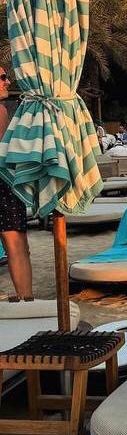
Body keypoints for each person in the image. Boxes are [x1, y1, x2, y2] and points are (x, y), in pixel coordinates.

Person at [0, 67, 33, 301]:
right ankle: (26, 299)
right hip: (3, 184)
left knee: (15, 244)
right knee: (16, 245)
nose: (8, 81)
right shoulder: (1, 111)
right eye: (2, 77)